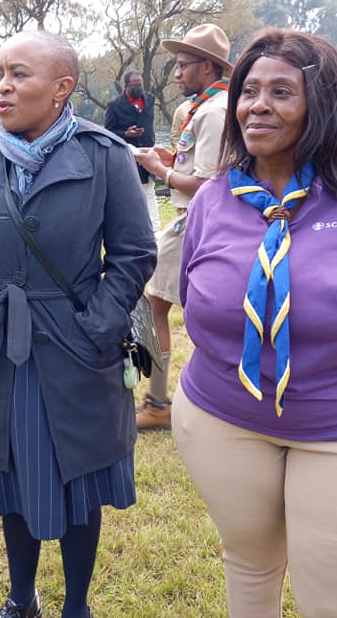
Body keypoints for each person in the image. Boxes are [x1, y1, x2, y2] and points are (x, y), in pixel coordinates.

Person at [171, 27, 337, 617]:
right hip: (221, 421)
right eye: (249, 91)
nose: (257, 105)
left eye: (282, 91)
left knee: (336, 605)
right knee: (248, 568)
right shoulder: (212, 199)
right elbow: (195, 300)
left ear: (323, 105)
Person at [0, 31, 156, 618]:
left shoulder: (104, 156)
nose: (1, 87)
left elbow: (134, 253)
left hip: (76, 349)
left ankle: (77, 606)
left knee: (80, 478)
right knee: (11, 476)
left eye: (18, 75)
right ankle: (21, 598)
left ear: (61, 88)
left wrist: (97, 326)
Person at [133, 23, 231, 430]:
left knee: (154, 303)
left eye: (184, 64)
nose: (176, 73)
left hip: (197, 221)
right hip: (195, 219)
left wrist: (160, 171)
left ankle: (158, 403)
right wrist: (171, 160)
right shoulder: (202, 108)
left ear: (207, 66)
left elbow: (209, 185)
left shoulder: (215, 112)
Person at [104, 70, 159, 231]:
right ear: (126, 86)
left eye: (139, 85)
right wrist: (126, 134)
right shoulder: (115, 105)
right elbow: (108, 132)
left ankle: (155, 229)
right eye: (134, 85)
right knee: (129, 192)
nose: (138, 88)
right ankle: (131, 227)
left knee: (149, 189)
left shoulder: (150, 99)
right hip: (127, 154)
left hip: (147, 151)